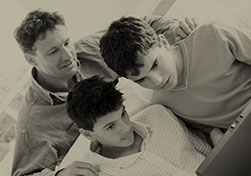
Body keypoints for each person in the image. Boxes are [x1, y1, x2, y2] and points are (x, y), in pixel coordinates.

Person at [12, 9, 198, 176]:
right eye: (53, 52)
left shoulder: (90, 47)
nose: (68, 55)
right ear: (31, 59)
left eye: (67, 43)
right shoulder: (32, 120)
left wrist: (175, 29)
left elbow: (144, 26)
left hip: (166, 134)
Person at [99, 16, 251, 134]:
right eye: (141, 80)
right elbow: (209, 131)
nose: (157, 81)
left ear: (162, 42)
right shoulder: (162, 103)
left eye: (155, 64)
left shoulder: (212, 35)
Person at [65, 75, 211, 176]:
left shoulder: (158, 114)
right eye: (110, 126)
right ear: (88, 134)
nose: (125, 128)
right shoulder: (95, 172)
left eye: (123, 114)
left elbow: (207, 153)